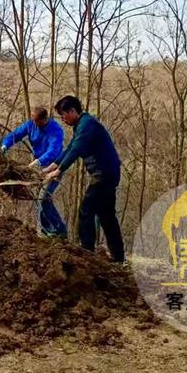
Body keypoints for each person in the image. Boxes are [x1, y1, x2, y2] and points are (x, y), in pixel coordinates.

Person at [43, 95, 125, 263]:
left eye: (63, 115)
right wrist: (53, 165)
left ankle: (87, 252)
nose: (63, 120)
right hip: (107, 174)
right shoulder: (82, 125)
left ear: (72, 111)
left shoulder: (87, 125)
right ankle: (118, 257)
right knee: (107, 216)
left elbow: (77, 150)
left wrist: (59, 171)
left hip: (103, 175)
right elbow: (70, 148)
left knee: (85, 211)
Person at [0, 106, 67, 238]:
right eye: (33, 121)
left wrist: (37, 162)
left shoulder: (55, 130)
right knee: (39, 199)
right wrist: (5, 145)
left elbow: (53, 151)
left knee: (43, 197)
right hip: (39, 167)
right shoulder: (31, 124)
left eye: (37, 122)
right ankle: (47, 231)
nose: (35, 124)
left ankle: (59, 230)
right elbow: (16, 134)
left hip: (55, 167)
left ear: (44, 119)